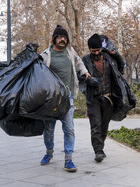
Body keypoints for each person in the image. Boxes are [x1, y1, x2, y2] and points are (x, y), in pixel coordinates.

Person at [40, 25, 90, 172]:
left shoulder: (70, 51)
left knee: (69, 129)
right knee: (48, 129)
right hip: (51, 98)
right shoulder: (46, 54)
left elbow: (79, 61)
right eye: (60, 37)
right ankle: (49, 153)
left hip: (67, 98)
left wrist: (85, 72)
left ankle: (68, 160)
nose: (63, 39)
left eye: (65, 37)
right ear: (54, 39)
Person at [80, 34, 130, 162]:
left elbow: (121, 69)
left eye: (98, 50)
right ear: (89, 50)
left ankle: (100, 146)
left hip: (108, 98)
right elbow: (78, 76)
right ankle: (98, 150)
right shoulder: (85, 61)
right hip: (94, 99)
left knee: (104, 125)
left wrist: (117, 55)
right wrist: (87, 80)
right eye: (93, 51)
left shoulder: (109, 58)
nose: (96, 52)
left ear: (101, 49)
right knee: (95, 124)